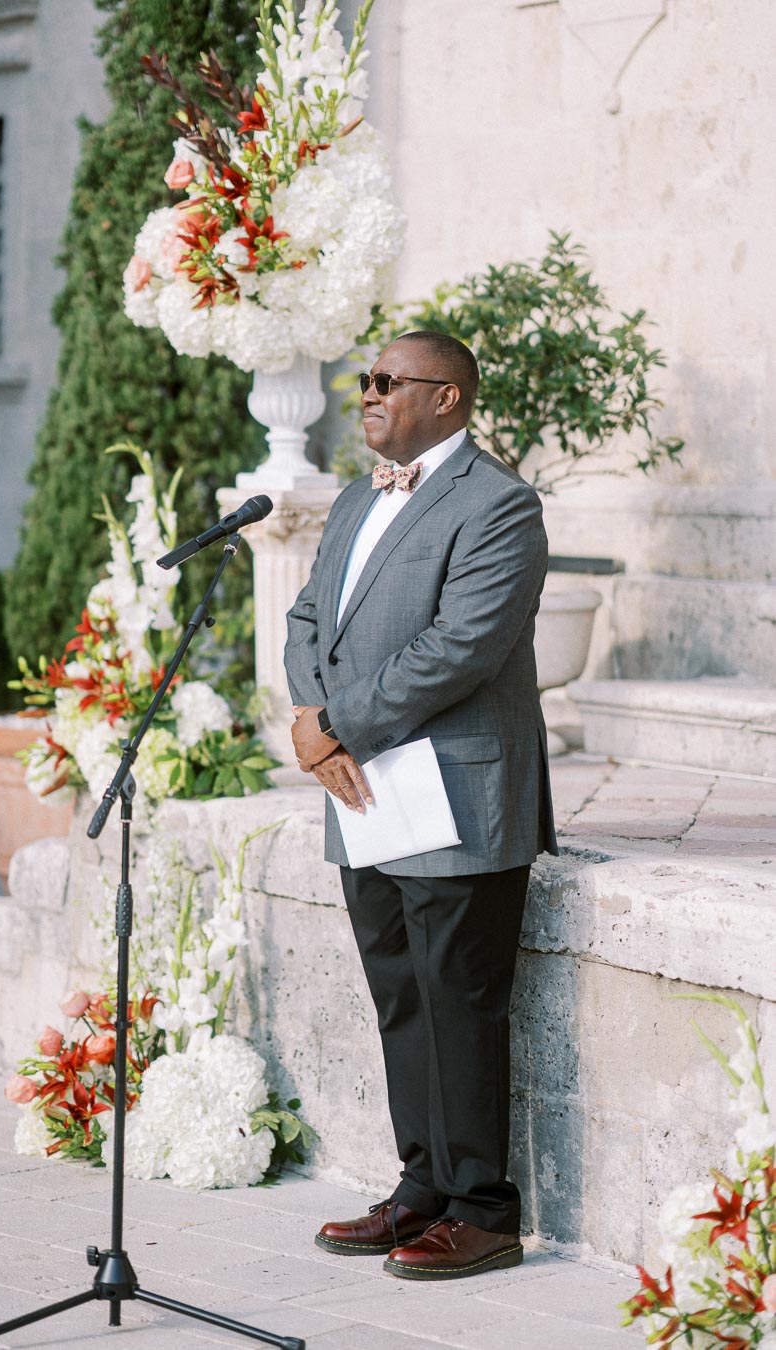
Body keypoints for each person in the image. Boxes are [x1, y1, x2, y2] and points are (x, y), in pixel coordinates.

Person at [284, 329, 557, 1281]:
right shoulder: (359, 494)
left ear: (447, 399)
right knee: (400, 992)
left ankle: (485, 1211)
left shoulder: (499, 506)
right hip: (365, 790)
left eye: (387, 381)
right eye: (364, 380)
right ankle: (422, 1189)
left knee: (460, 996)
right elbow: (308, 614)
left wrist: (336, 725)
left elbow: (462, 646)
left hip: (454, 793)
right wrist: (309, 717)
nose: (367, 393)